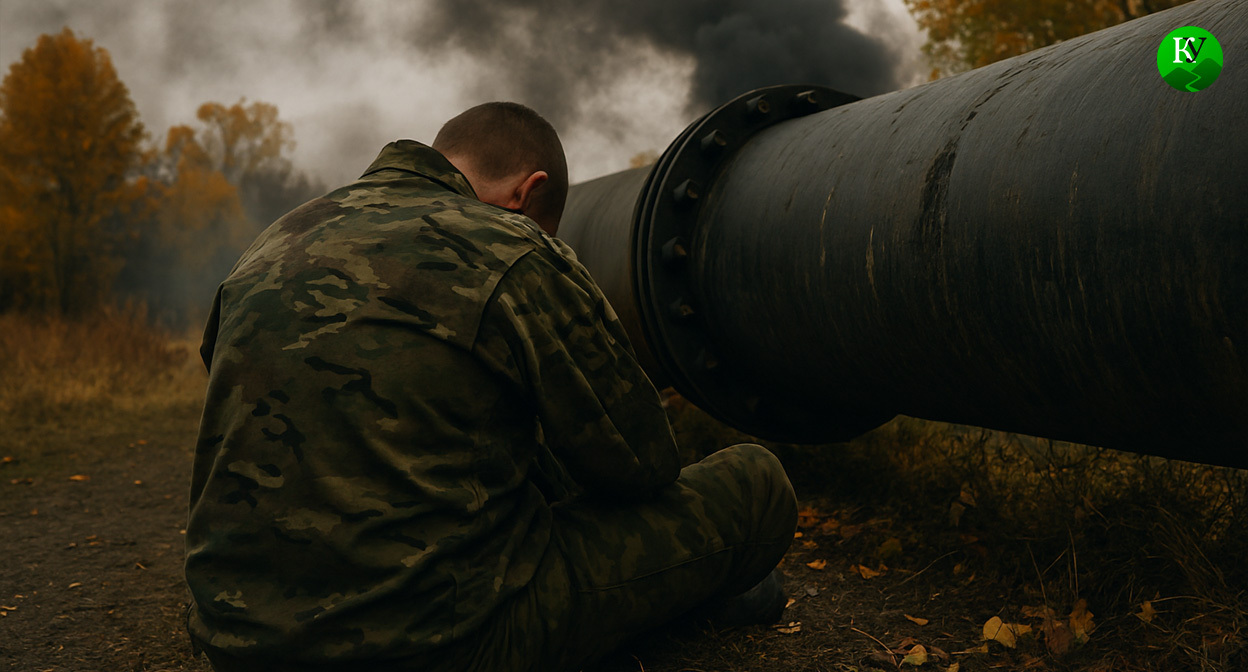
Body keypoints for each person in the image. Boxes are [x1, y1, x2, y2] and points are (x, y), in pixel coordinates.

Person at [184, 101, 798, 672]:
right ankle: (704, 597)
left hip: (238, 640)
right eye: (546, 228)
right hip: (438, 644)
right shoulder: (511, 246)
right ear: (527, 194)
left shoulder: (272, 242)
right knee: (755, 481)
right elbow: (641, 464)